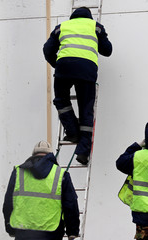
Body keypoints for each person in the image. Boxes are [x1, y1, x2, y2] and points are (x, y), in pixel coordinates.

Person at [43, 7, 112, 165]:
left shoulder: (62, 27)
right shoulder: (96, 27)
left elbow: (47, 50)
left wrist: (58, 65)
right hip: (87, 71)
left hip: (64, 68)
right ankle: (83, 151)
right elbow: (107, 50)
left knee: (61, 101)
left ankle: (73, 131)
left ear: (73, 17)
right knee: (86, 109)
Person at [2, 140, 80, 240]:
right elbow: (70, 204)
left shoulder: (18, 172)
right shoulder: (60, 174)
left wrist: (10, 228)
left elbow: (8, 203)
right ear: (50, 155)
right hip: (51, 234)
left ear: (33, 154)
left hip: (23, 233)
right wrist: (72, 231)